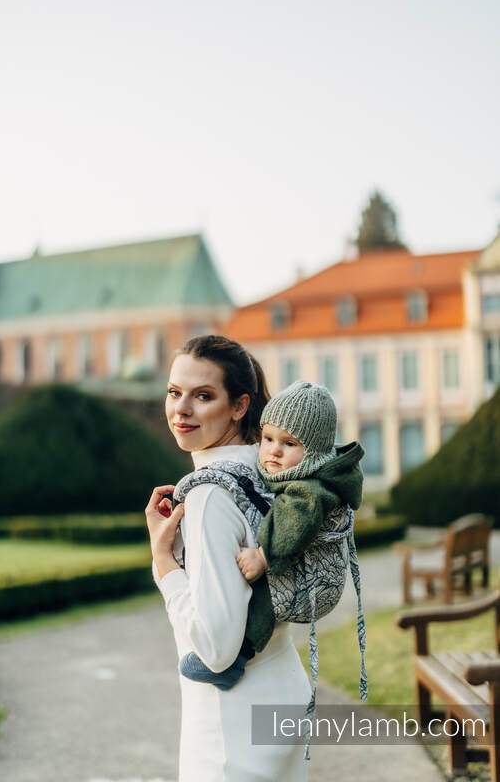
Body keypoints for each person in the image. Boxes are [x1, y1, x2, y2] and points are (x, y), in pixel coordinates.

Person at [145, 335, 311, 782]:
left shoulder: (210, 496)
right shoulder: (270, 470)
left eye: (203, 396)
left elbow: (217, 650)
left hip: (233, 727)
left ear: (239, 406)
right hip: (285, 693)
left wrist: (165, 563)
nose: (181, 410)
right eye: (174, 392)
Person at [177, 381, 366, 706]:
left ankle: (236, 659)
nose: (273, 451)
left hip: (309, 583)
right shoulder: (305, 472)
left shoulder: (309, 491)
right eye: (267, 439)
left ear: (314, 451)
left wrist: (264, 556)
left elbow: (293, 525)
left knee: (261, 597)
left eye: (289, 443)